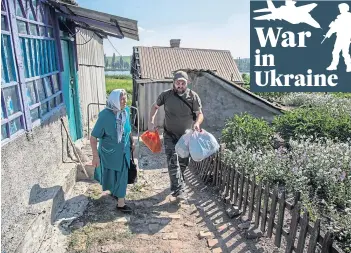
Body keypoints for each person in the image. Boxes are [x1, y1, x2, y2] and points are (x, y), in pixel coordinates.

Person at [149, 71, 204, 198]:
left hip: (186, 137)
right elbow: (155, 107)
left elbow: (200, 114)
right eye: (177, 83)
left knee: (183, 162)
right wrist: (151, 121)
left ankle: (179, 182)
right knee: (172, 160)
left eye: (183, 83)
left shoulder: (193, 96)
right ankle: (178, 190)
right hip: (169, 134)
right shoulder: (166, 95)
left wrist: (197, 123)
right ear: (173, 83)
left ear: (187, 83)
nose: (180, 86)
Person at [90, 89, 135, 213]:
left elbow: (128, 128)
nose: (125, 101)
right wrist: (95, 156)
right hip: (109, 152)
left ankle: (121, 203)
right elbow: (93, 137)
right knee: (112, 175)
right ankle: (117, 193)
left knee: (122, 174)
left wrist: (132, 141)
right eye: (121, 99)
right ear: (114, 100)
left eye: (126, 98)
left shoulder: (126, 111)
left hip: (124, 151)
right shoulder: (105, 115)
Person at [325, 3, 351, 72]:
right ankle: (334, 66)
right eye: (340, 8)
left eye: (341, 8)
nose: (340, 10)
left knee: (345, 53)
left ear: (345, 9)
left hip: (345, 37)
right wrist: (329, 33)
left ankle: (349, 66)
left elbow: (339, 27)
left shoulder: (348, 17)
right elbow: (335, 27)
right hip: (339, 37)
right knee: (335, 52)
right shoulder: (339, 17)